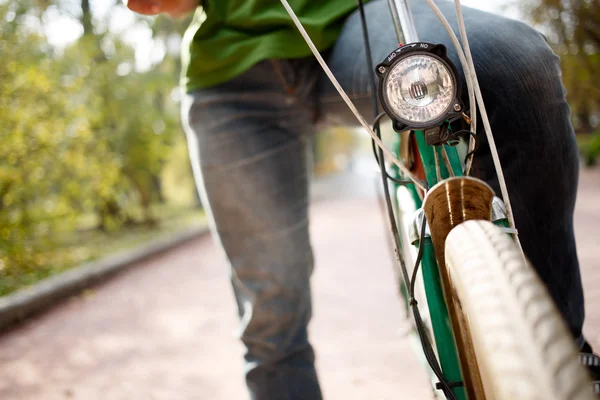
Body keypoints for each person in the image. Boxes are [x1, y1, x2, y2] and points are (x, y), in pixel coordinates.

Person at [125, 0, 599, 398]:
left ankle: (560, 350)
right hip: (232, 70)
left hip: (355, 18)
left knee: (517, 65)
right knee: (272, 312)